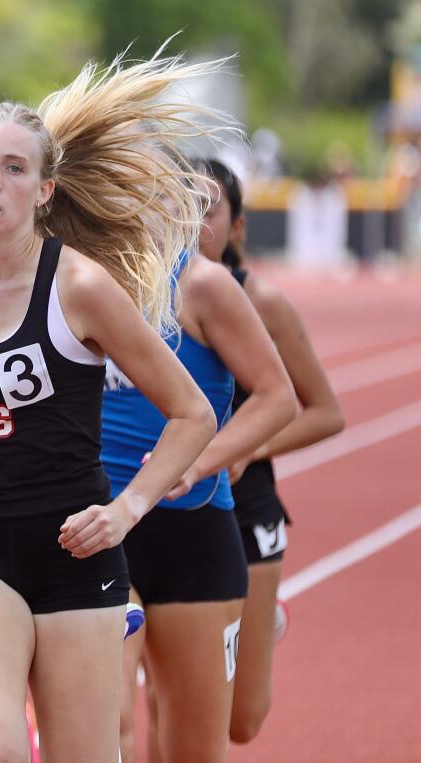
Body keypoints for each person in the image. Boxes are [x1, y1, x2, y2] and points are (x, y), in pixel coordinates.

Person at [0, 53, 228, 762]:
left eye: (13, 169)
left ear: (44, 189)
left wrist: (128, 508)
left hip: (74, 548)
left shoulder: (81, 287)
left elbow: (193, 413)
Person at [102, 163, 298, 760]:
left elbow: (278, 397)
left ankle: (248, 622)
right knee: (105, 730)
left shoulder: (204, 286)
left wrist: (199, 459)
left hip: (193, 530)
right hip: (100, 526)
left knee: (195, 746)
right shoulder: (82, 281)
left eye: (160, 195)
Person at [194, 158, 345, 746]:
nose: (190, 223)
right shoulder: (132, 294)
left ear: (236, 228)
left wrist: (247, 448)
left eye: (206, 211)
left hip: (244, 504)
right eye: (177, 208)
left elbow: (325, 412)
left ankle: (260, 617)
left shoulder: (265, 303)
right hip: (160, 501)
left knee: (242, 721)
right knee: (174, 695)